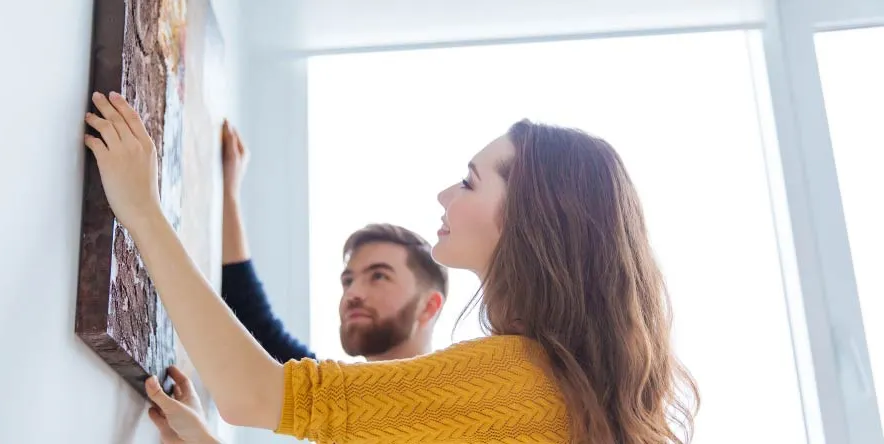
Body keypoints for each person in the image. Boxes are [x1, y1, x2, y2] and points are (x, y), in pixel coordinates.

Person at [83, 91, 700, 443]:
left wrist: (141, 208)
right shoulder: (543, 386)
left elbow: (250, 395)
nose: (444, 196)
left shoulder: (519, 378)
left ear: (530, 218)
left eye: (468, 181)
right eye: (349, 277)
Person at [219, 122, 448, 364]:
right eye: (347, 281)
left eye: (379, 276)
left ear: (428, 307)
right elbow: (254, 324)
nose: (352, 293)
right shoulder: (332, 394)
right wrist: (229, 193)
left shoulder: (459, 398)